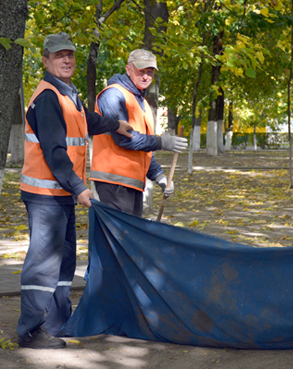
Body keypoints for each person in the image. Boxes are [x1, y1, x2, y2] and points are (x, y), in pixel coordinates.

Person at [18, 32, 134, 349]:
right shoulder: (48, 98)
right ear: (45, 60)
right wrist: (80, 188)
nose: (67, 59)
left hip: (60, 195)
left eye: (70, 54)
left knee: (65, 260)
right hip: (45, 196)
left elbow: (85, 121)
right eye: (59, 55)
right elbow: (55, 153)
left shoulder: (68, 94)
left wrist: (114, 124)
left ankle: (55, 322)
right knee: (43, 263)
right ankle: (30, 331)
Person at [90, 49, 187, 217]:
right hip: (114, 182)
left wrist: (159, 177)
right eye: (141, 71)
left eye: (149, 72)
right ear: (128, 69)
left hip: (131, 183)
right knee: (119, 238)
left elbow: (144, 148)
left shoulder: (140, 101)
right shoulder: (114, 95)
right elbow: (124, 139)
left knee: (128, 238)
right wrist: (162, 142)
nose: (145, 76)